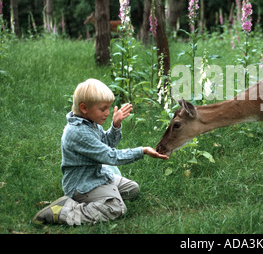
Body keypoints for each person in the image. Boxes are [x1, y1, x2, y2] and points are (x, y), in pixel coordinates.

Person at [33, 79, 168, 225]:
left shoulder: (89, 123)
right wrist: (142, 151)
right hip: (82, 185)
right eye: (103, 109)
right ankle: (64, 210)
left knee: (132, 190)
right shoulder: (79, 132)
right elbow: (110, 155)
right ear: (84, 108)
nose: (107, 113)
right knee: (117, 207)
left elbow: (106, 143)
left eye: (108, 109)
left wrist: (115, 126)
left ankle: (103, 196)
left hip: (96, 176)